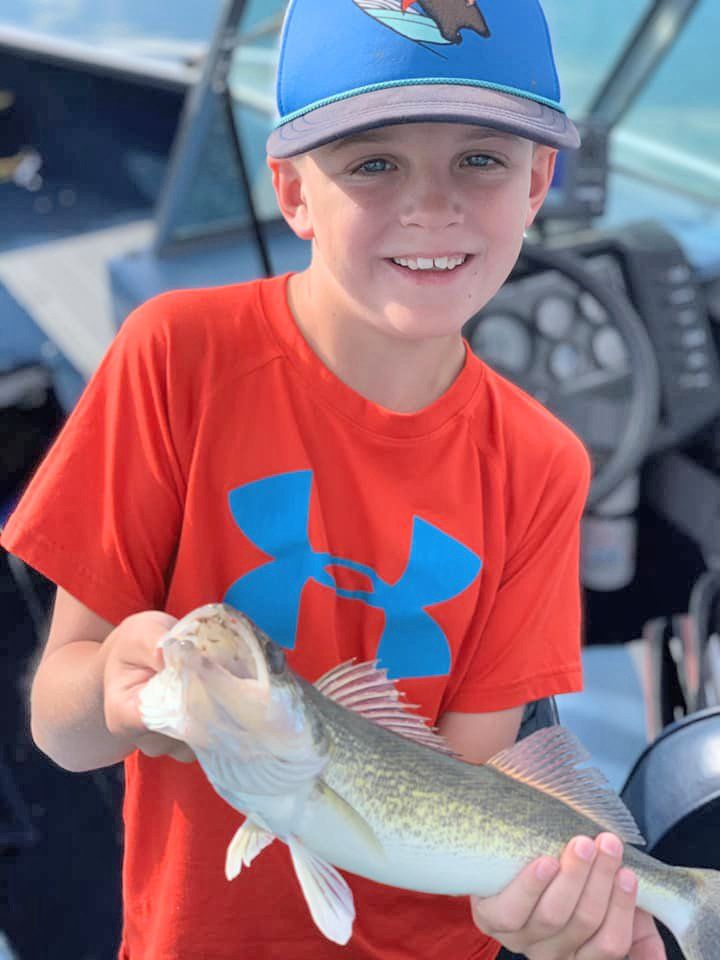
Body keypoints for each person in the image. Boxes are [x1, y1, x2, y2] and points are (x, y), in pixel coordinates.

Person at [1, 0, 667, 958]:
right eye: (373, 161)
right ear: (292, 189)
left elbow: (471, 799)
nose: (431, 205)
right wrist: (113, 683)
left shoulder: (544, 464)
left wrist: (571, 923)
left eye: (482, 158)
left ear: (538, 184)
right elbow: (62, 726)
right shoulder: (174, 359)